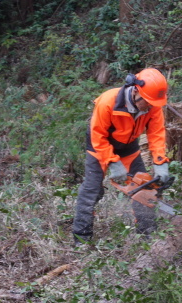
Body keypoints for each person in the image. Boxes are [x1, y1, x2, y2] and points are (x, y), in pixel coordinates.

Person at [72, 68, 170, 244]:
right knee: (91, 191)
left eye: (152, 103)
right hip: (99, 147)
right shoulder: (108, 102)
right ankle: (81, 239)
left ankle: (147, 236)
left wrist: (160, 162)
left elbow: (156, 134)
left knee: (144, 188)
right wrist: (113, 163)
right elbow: (98, 137)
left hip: (128, 147)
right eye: (147, 101)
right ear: (135, 91)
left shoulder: (153, 106)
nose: (149, 106)